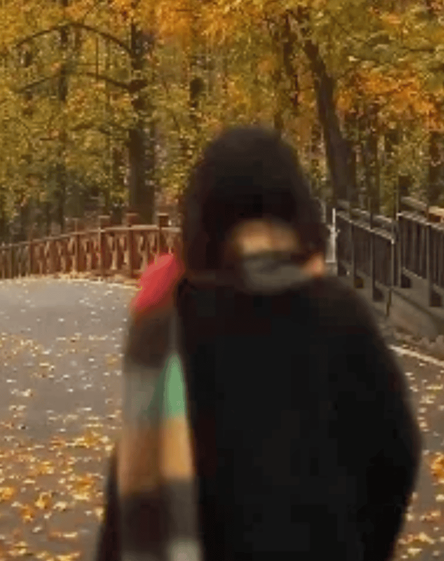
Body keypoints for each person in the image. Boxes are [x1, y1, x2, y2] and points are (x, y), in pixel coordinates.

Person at [95, 125, 420, 561]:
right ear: (296, 207)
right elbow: (394, 450)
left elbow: (134, 480)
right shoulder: (341, 315)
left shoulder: (169, 318)